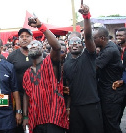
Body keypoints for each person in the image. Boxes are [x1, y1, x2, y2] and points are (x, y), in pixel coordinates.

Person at [22, 16, 69, 133]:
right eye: (30, 45)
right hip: (35, 120)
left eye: (36, 44)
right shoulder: (27, 73)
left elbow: (57, 47)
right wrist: (25, 116)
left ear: (42, 48)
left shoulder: (50, 63)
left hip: (54, 118)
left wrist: (40, 26)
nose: (33, 46)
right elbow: (26, 96)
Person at [63, 4, 104, 133]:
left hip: (91, 105)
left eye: (78, 42)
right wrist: (68, 108)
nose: (74, 44)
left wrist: (86, 17)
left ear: (83, 45)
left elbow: (88, 36)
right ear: (68, 46)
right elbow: (68, 87)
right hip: (75, 107)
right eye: (71, 42)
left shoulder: (88, 55)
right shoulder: (66, 62)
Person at [95, 28, 124, 132]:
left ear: (102, 38)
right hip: (108, 91)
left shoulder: (109, 50)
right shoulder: (108, 47)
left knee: (111, 124)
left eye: (94, 38)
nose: (92, 41)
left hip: (112, 93)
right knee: (108, 123)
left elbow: (94, 68)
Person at [7, 28, 33, 133]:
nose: (24, 38)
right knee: (19, 126)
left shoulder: (39, 54)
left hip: (36, 97)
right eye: (21, 36)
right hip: (19, 97)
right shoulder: (13, 56)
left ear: (32, 38)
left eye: (27, 36)